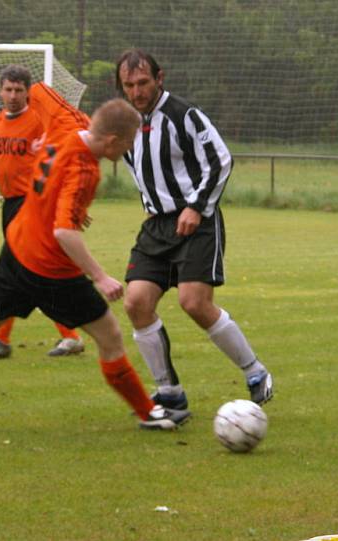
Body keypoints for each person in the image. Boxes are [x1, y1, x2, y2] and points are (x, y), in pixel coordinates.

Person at [0, 97, 190, 431]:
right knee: (110, 335)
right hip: (52, 270)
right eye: (128, 144)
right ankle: (149, 413)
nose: (127, 151)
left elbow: (41, 104)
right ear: (112, 140)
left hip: (17, 248)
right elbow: (64, 232)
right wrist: (100, 276)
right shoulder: (85, 169)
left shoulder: (63, 130)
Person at [115, 49, 273, 414]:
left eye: (142, 83)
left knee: (194, 303)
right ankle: (170, 394)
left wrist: (196, 206)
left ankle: (254, 371)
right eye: (129, 85)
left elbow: (220, 160)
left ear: (159, 78)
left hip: (196, 222)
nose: (137, 91)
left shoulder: (183, 114)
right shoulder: (125, 121)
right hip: (155, 227)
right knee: (136, 303)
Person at [0, 65, 85, 359]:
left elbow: (68, 144)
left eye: (18, 90)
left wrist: (48, 149)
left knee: (22, 270)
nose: (13, 96)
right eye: (8, 89)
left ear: (28, 92)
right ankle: (63, 335)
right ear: (0, 90)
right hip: (12, 205)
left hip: (35, 202)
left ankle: (6, 339)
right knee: (25, 271)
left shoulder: (40, 120)